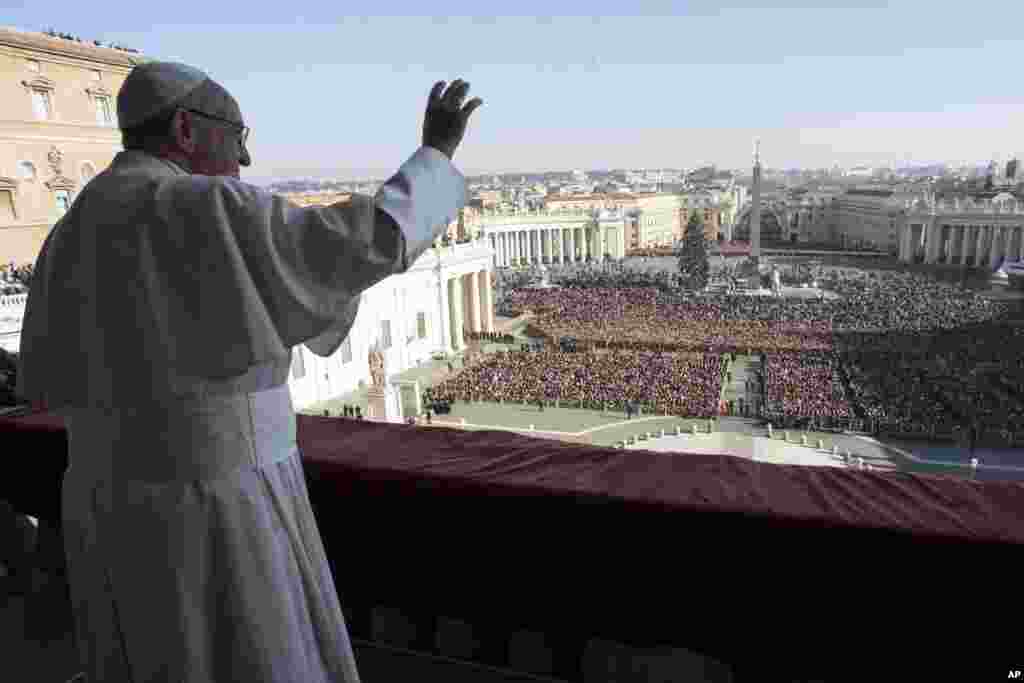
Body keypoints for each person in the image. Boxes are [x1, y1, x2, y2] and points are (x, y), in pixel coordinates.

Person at [17, 61, 482, 683]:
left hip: (105, 504)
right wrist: (435, 153)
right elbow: (357, 245)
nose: (245, 157)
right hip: (215, 500)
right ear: (186, 128)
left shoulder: (70, 230)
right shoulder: (201, 205)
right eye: (237, 137)